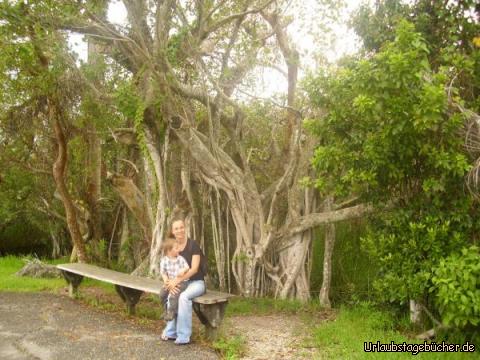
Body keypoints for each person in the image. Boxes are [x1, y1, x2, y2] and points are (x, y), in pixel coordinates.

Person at [161, 218, 206, 345]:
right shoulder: (171, 246)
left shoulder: (193, 245)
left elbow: (194, 268)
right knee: (171, 295)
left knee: (183, 298)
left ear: (185, 228)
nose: (180, 230)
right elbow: (165, 268)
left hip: (196, 282)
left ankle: (183, 335)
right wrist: (169, 283)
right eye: (176, 228)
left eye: (181, 227)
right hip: (179, 283)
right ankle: (170, 332)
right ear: (172, 231)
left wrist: (177, 280)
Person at [158, 236, 189, 321]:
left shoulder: (180, 259)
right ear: (169, 251)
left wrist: (183, 271)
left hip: (181, 282)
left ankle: (172, 312)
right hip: (170, 281)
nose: (179, 249)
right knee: (162, 294)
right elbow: (163, 272)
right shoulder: (164, 260)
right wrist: (166, 281)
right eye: (176, 248)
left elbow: (187, 267)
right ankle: (165, 310)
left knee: (173, 295)